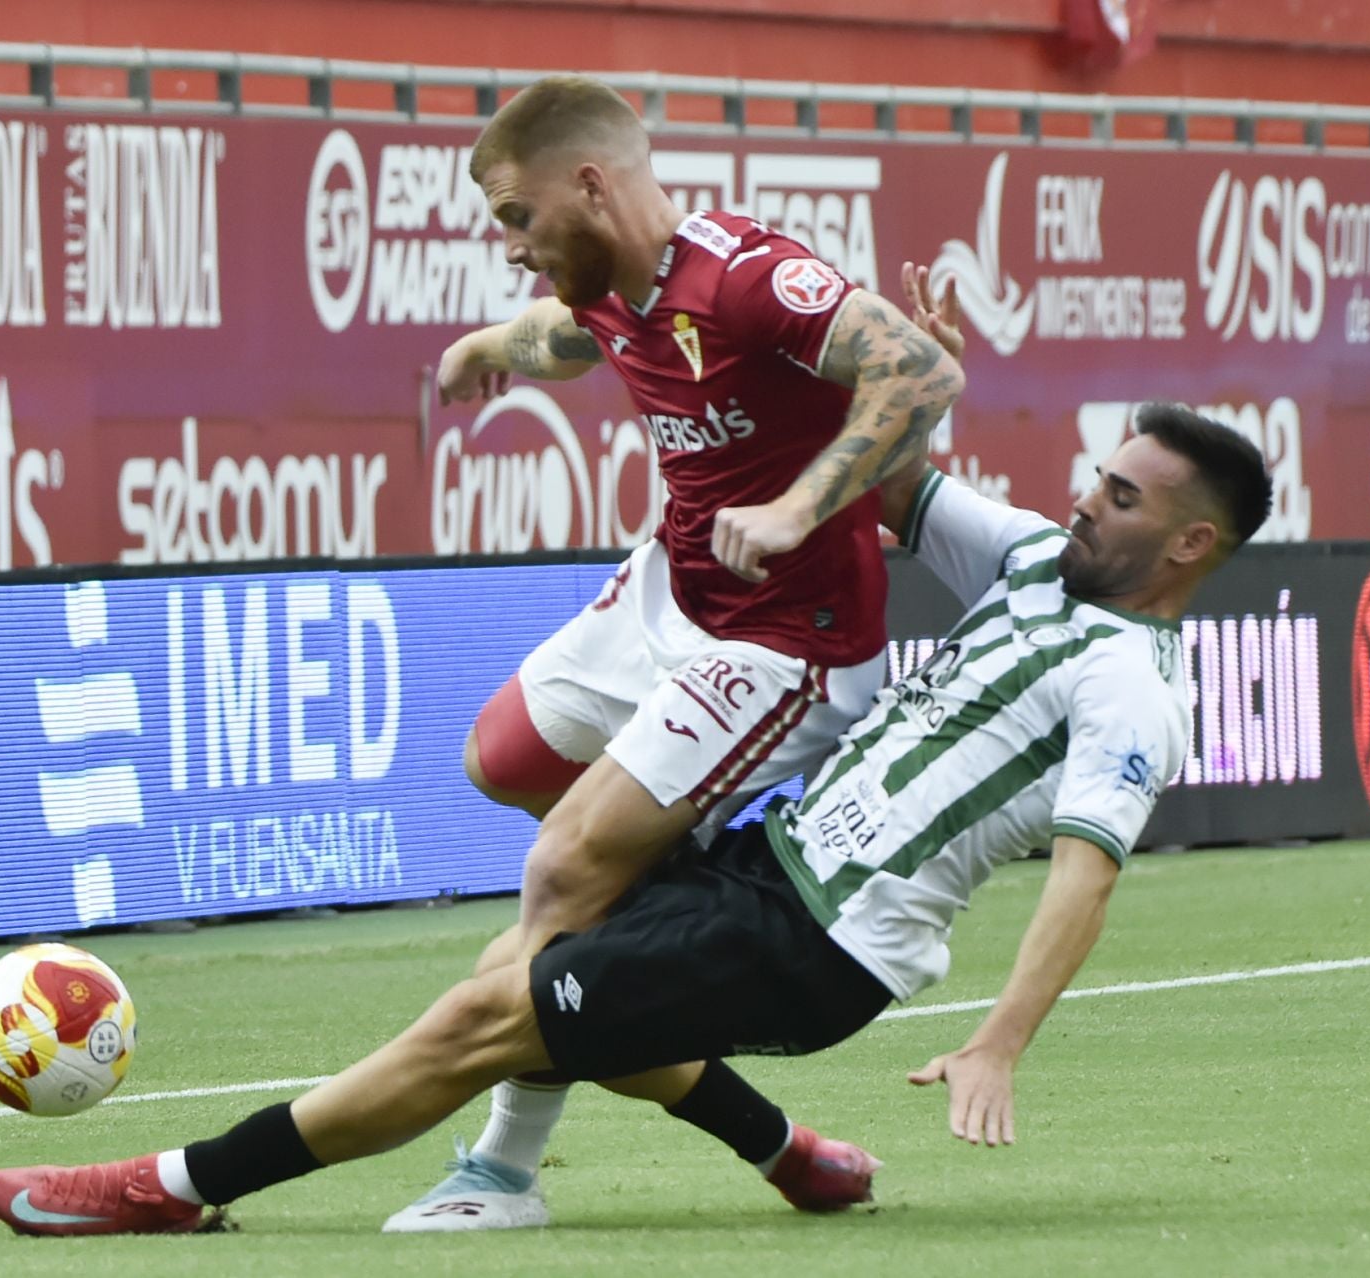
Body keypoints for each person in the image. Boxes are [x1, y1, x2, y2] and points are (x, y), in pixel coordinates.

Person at [0, 273, 1275, 1239]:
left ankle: (179, 1185)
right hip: (772, 858)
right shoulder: (1040, 564)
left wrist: (999, 1039)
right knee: (536, 951)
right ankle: (761, 1156)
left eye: (1121, 497)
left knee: (495, 1009)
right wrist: (867, 395)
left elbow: (1086, 872)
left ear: (1188, 549)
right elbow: (890, 487)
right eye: (1099, 476)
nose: (1082, 498)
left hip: (824, 942)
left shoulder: (1132, 688)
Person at [400, 73, 963, 1228]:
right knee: (501, 758)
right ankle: (655, 872)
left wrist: (802, 506)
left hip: (787, 641)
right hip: (675, 595)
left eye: (517, 216)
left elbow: (923, 371)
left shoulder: (747, 277)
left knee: (561, 881)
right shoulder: (606, 284)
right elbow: (564, 335)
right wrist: (485, 346)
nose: (510, 243)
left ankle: (503, 1172)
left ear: (593, 184)